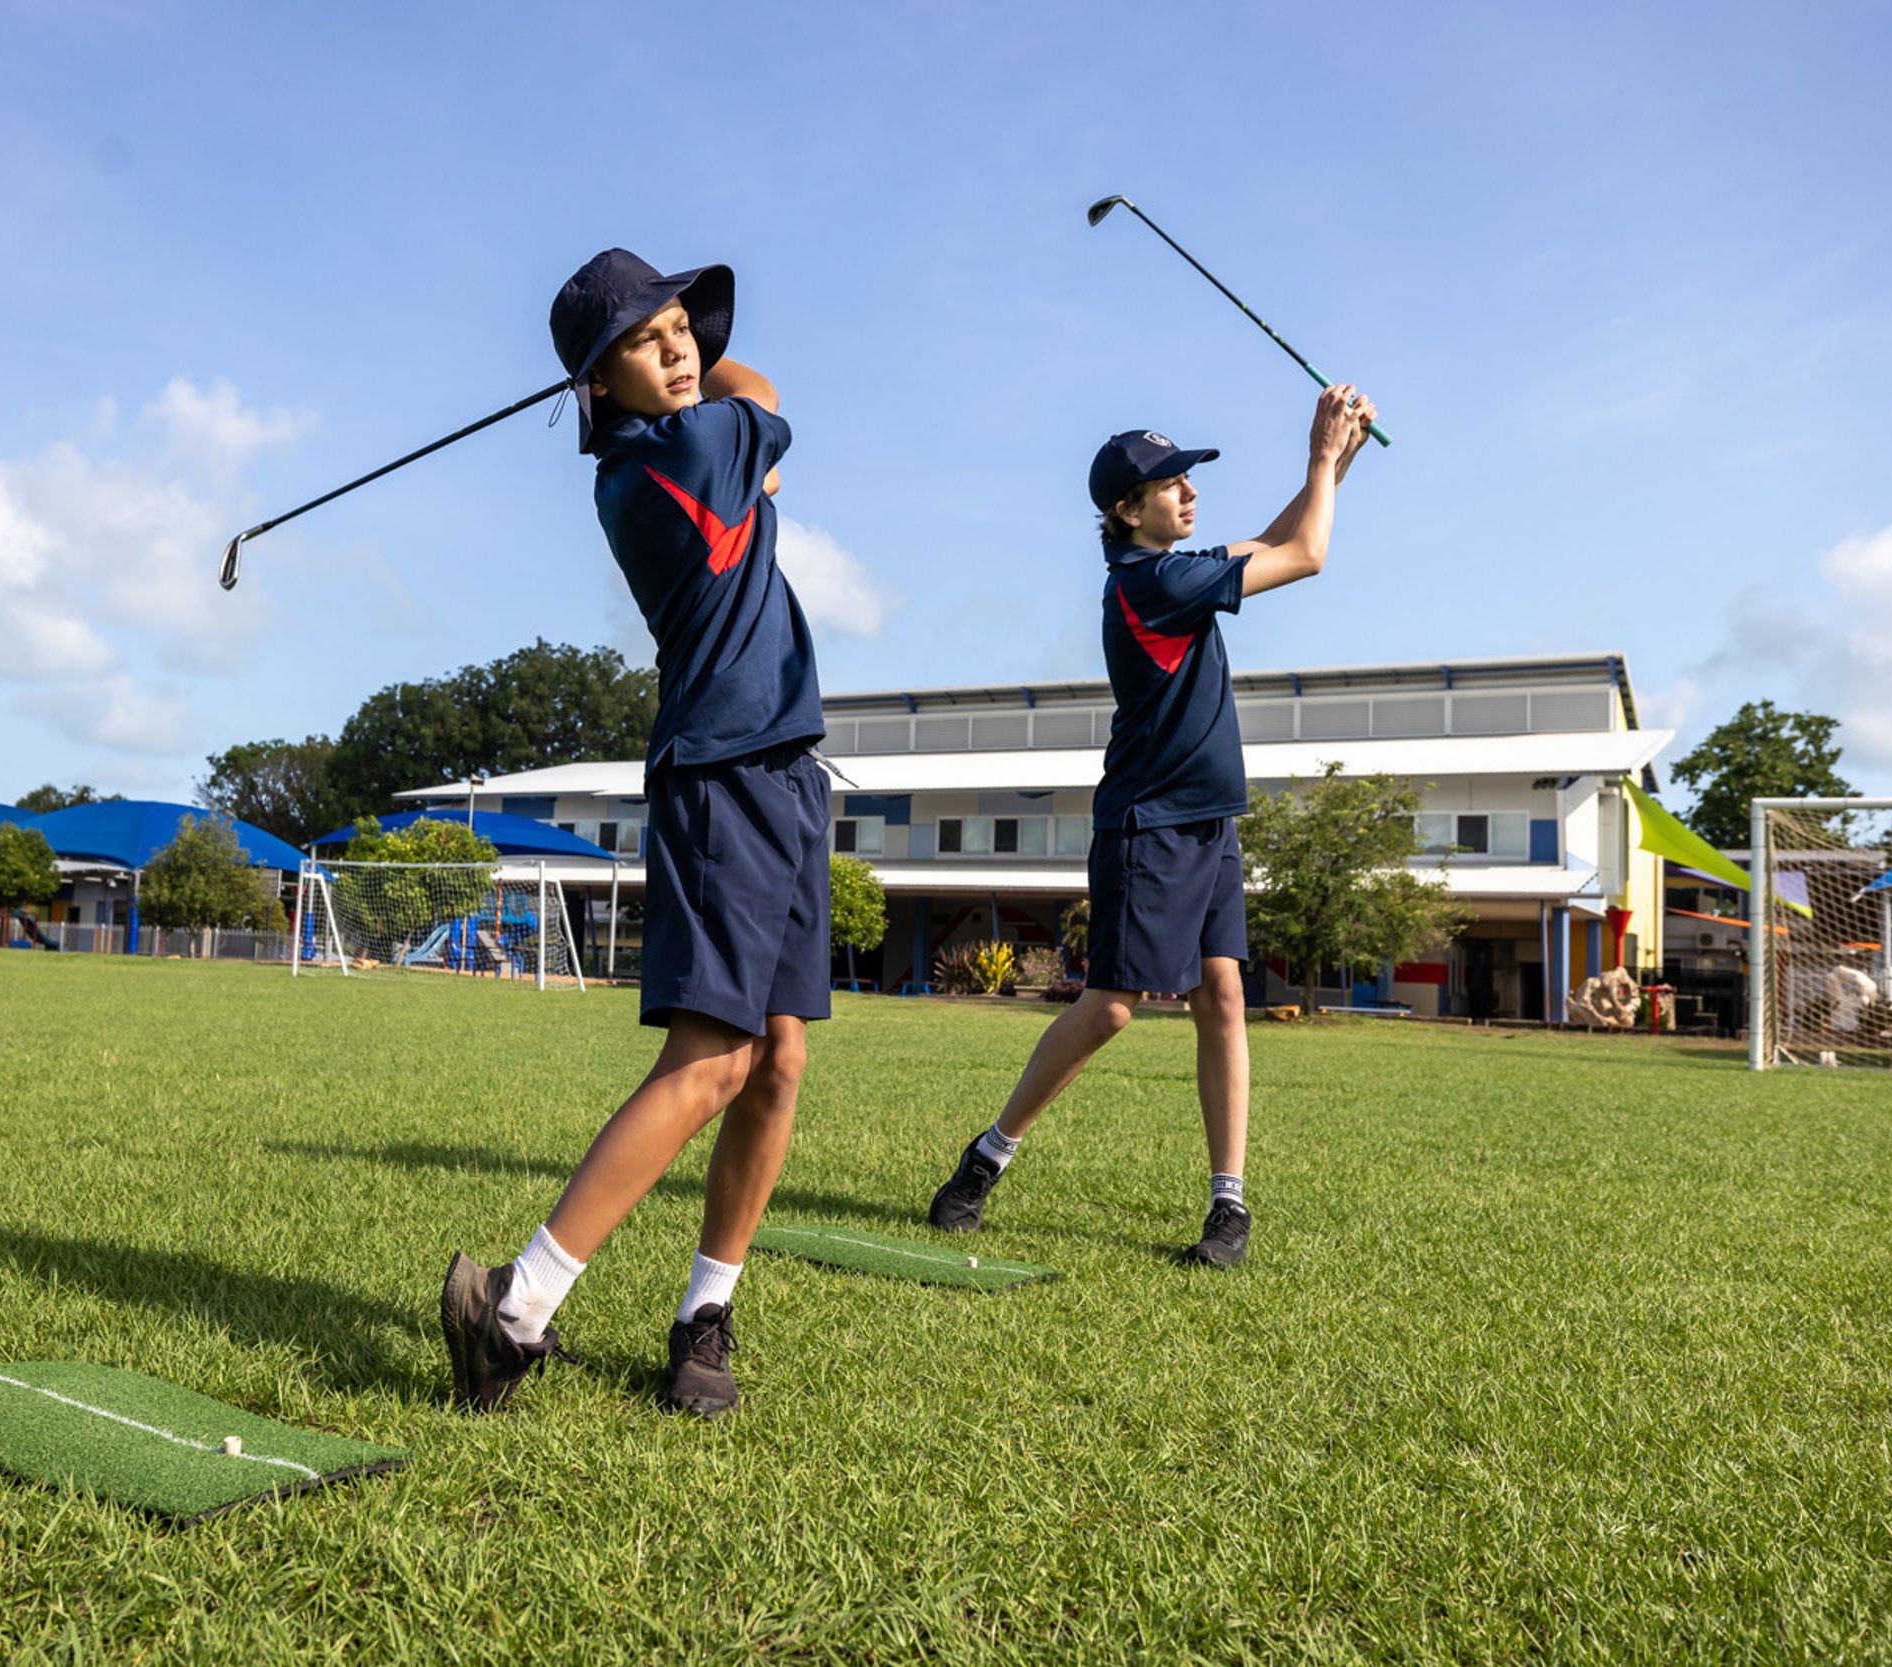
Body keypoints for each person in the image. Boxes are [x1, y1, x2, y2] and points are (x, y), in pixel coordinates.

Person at [441, 249, 829, 1416]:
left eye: (680, 329)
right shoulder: (693, 448)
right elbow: (765, 395)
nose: (677, 349)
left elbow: (745, 413)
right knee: (712, 1059)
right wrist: (706, 372)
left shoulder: (668, 449)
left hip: (779, 764)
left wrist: (658, 366)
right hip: (725, 773)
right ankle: (514, 1304)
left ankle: (704, 1311)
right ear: (597, 383)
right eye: (643, 341)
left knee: (777, 1056)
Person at [925, 385, 1377, 1268]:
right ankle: (984, 1160)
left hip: (1208, 822)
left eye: (1187, 477)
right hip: (1150, 826)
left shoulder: (1175, 573)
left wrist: (1337, 458)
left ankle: (1228, 1207)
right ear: (1129, 510)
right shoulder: (1154, 583)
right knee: (1110, 1009)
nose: (1190, 490)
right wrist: (1323, 459)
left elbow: (1278, 539)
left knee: (1224, 996)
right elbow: (1308, 555)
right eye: (1172, 482)